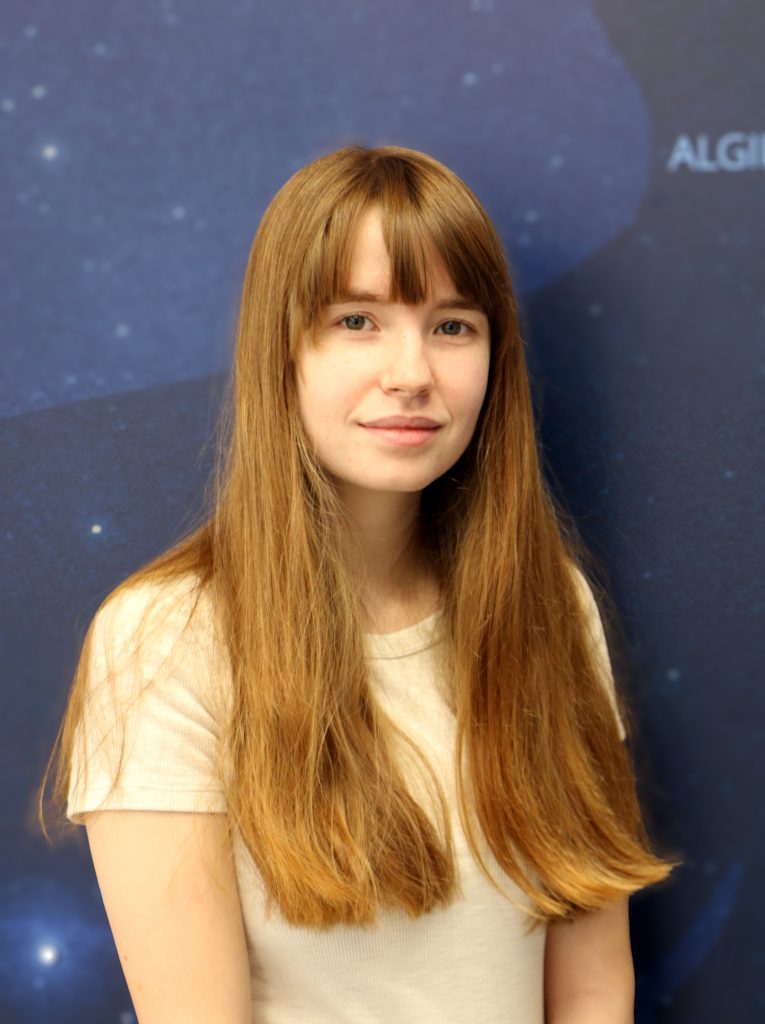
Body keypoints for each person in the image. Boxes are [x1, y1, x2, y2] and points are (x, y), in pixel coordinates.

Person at [39, 144, 680, 1023]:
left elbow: (594, 989)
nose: (411, 374)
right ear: (281, 351)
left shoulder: (550, 606)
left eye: (452, 326)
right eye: (356, 320)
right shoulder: (164, 639)